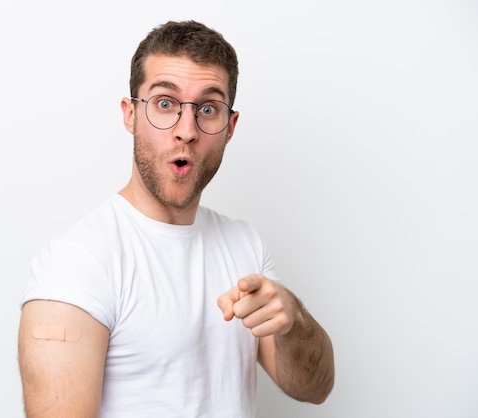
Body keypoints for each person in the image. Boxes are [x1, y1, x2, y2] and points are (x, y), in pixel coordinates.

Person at [18, 20, 334, 418]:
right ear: (130, 114)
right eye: (165, 103)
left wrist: (294, 321)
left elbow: (315, 389)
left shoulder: (245, 246)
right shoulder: (77, 264)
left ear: (230, 127)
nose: (186, 130)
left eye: (208, 108)